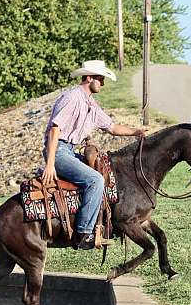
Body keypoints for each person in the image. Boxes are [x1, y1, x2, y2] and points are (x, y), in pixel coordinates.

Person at [42, 60, 146, 250]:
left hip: (69, 151)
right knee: (95, 180)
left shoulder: (91, 104)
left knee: (105, 170)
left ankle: (103, 222)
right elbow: (55, 130)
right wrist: (50, 164)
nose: (103, 83)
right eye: (100, 79)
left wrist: (136, 132)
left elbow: (112, 127)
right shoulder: (73, 97)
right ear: (88, 77)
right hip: (58, 151)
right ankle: (84, 233)